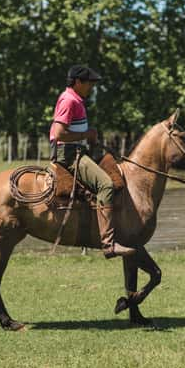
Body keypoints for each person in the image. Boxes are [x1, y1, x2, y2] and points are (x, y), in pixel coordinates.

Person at [49, 65, 136, 259]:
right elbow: (59, 133)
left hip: (78, 149)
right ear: (78, 82)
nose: (92, 87)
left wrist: (88, 137)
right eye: (90, 83)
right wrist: (86, 134)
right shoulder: (69, 100)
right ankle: (108, 243)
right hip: (69, 154)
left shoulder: (76, 99)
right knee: (106, 184)